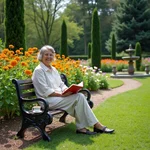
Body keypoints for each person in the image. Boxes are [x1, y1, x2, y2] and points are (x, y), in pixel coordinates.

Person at [32, 45, 115, 135]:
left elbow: (61, 84)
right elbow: (45, 90)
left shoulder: (53, 69)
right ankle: (96, 126)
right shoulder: (39, 70)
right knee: (79, 98)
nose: (49, 57)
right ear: (41, 56)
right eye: (46, 54)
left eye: (51, 55)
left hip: (58, 97)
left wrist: (67, 90)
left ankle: (85, 128)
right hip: (47, 100)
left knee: (79, 98)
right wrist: (62, 94)